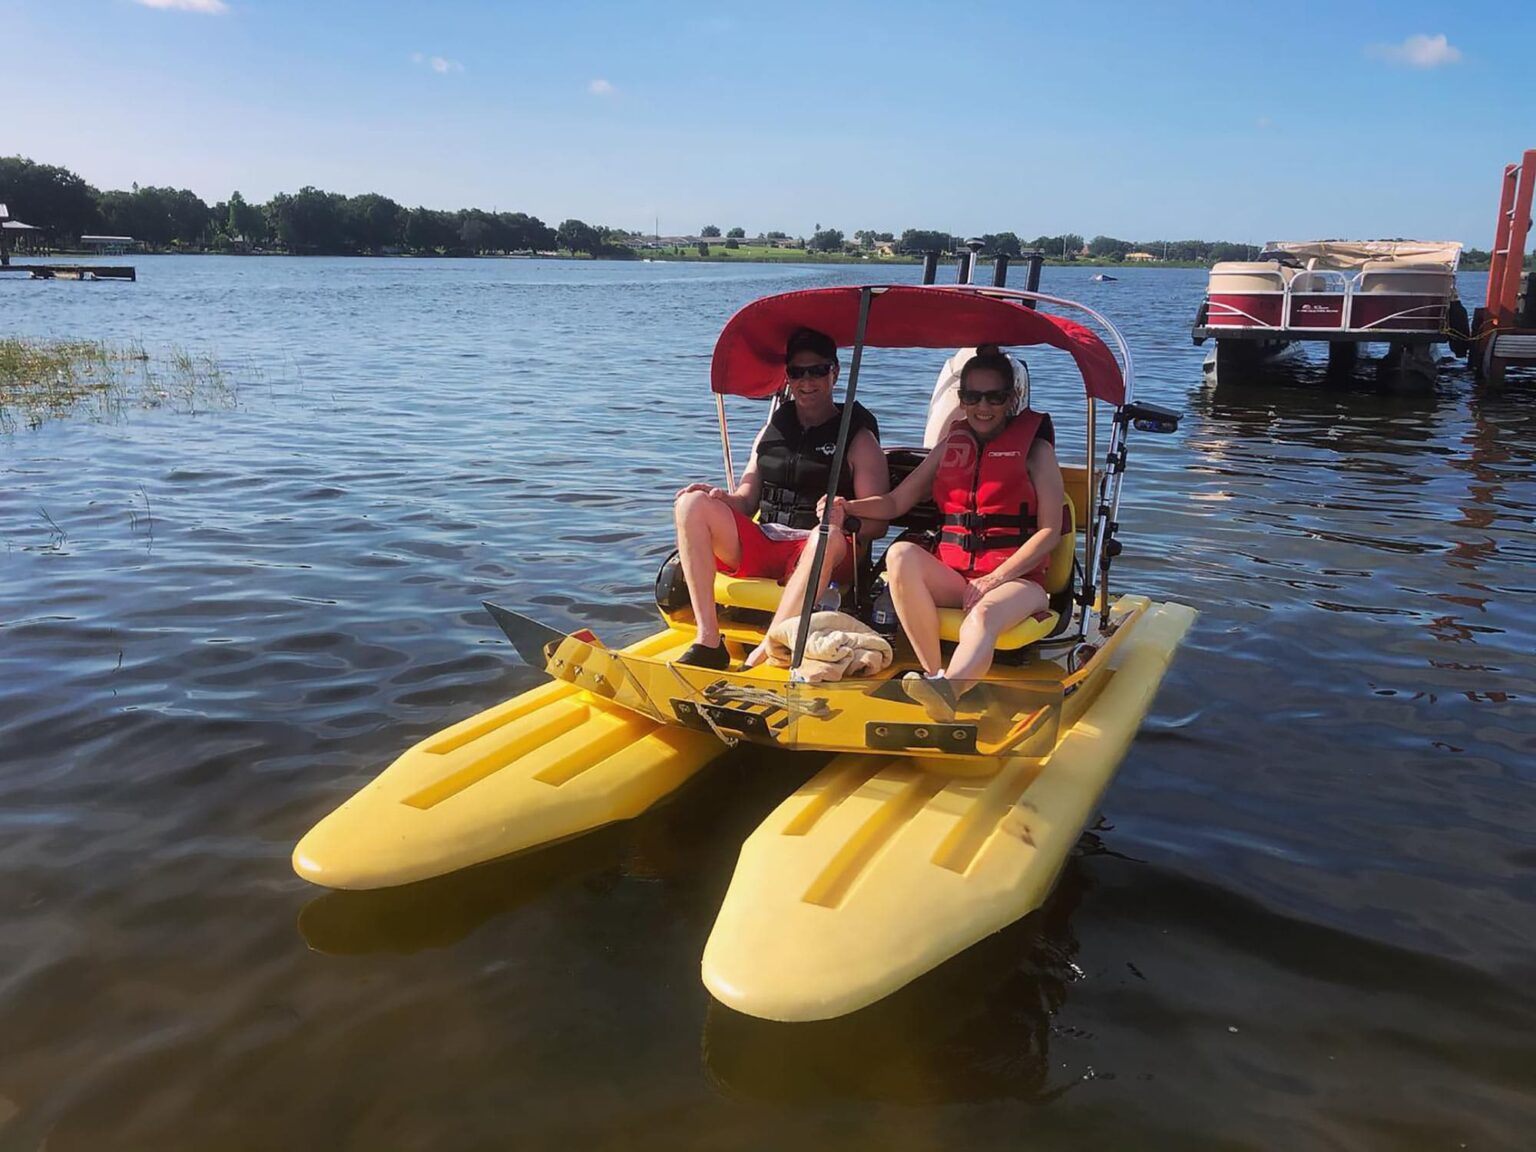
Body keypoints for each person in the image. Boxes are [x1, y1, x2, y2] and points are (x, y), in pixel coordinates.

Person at [824, 346, 1064, 719]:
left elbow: (1050, 532)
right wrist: (847, 507)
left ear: (1011, 399)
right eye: (973, 396)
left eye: (994, 397)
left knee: (983, 616)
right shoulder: (950, 445)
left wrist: (995, 578)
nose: (983, 406)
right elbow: (894, 503)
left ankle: (948, 690)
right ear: (961, 399)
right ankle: (935, 679)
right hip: (959, 577)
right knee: (900, 555)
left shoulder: (1037, 451)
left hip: (1018, 583)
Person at [672, 327, 890, 669]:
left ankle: (767, 648)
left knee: (826, 536)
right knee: (690, 504)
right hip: (769, 538)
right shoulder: (772, 431)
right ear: (788, 377)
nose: (807, 381)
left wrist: (844, 514)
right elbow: (747, 502)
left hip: (825, 549)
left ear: (834, 373)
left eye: (817, 370)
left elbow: (878, 524)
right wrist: (719, 498)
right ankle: (709, 640)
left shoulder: (859, 439)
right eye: (797, 372)